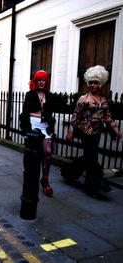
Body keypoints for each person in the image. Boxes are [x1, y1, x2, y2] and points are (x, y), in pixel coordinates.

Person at [63, 65, 121, 196]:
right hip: (85, 132)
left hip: (97, 132)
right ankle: (93, 186)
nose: (93, 85)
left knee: (89, 157)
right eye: (90, 82)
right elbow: (75, 116)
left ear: (100, 83)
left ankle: (69, 172)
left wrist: (115, 129)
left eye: (95, 82)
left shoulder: (104, 100)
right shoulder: (84, 99)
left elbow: (107, 117)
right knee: (92, 158)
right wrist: (70, 132)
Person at [20, 70, 55, 197]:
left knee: (48, 151)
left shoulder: (49, 95)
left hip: (44, 125)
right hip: (32, 124)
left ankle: (45, 179)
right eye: (39, 80)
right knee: (30, 151)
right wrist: (25, 129)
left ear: (46, 81)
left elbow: (50, 112)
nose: (41, 82)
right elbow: (25, 112)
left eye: (44, 80)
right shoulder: (30, 94)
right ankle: (28, 174)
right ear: (35, 81)